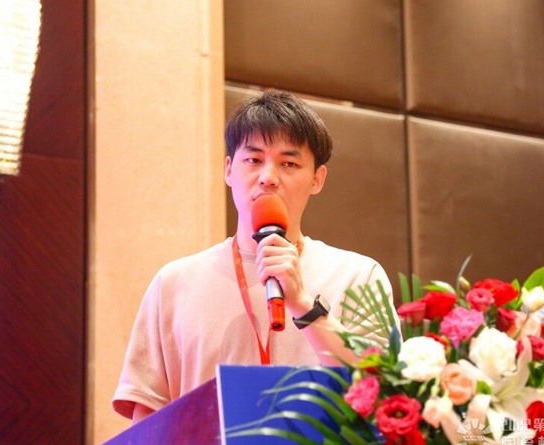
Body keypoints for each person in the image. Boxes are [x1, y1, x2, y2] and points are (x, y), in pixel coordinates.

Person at [112, 90, 394, 424]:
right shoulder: (173, 283)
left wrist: (304, 305)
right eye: (253, 160)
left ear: (317, 179)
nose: (268, 178)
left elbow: (386, 396)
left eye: (289, 163)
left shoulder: (358, 276)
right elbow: (146, 425)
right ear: (228, 170)